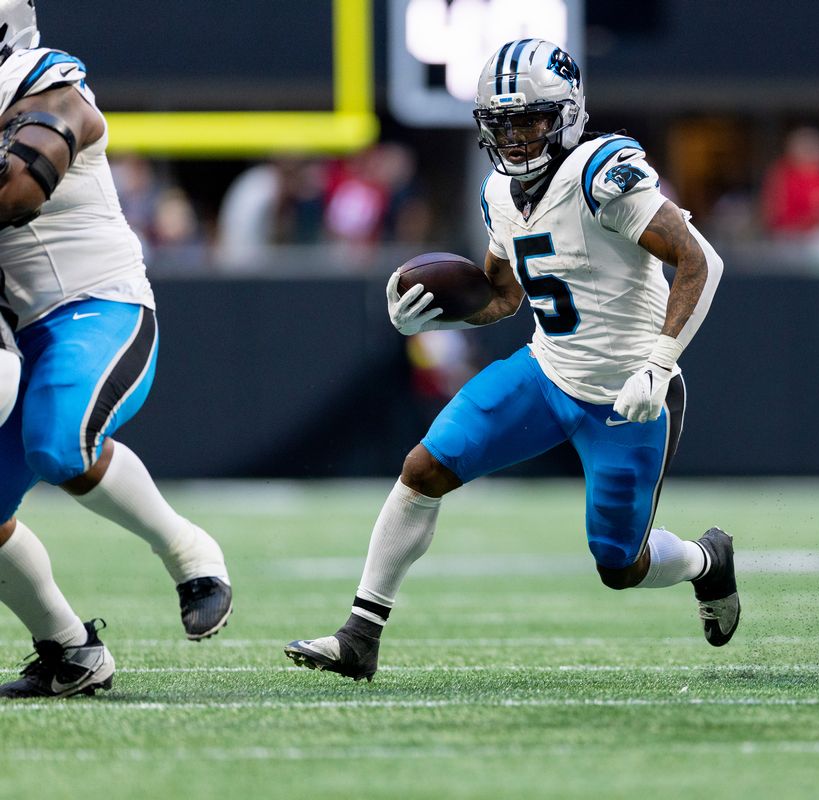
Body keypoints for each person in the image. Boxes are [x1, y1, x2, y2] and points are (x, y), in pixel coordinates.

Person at [285, 39, 734, 681]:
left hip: (629, 394)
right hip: (546, 374)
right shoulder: (499, 192)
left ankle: (706, 560)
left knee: (620, 564)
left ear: (568, 114)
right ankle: (359, 636)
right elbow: (503, 296)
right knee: (423, 468)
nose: (516, 138)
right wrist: (434, 314)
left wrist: (660, 363)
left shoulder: (602, 174)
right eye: (503, 124)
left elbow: (701, 261)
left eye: (530, 120)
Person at [0, 1, 231, 698]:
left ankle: (188, 550)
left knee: (59, 443)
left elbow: (18, 188)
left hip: (96, 308)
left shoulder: (47, 84)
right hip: (17, 333)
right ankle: (70, 651)